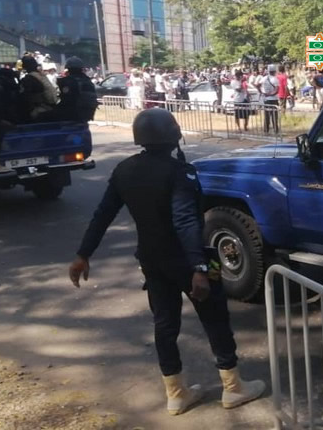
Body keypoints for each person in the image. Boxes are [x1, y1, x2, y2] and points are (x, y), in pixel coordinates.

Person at [68, 109, 265, 416]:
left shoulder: (124, 170)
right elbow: (185, 220)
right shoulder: (179, 172)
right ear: (171, 134)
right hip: (189, 259)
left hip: (151, 260)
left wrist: (83, 254)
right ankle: (233, 388)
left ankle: (176, 394)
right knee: (215, 318)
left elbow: (102, 215)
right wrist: (199, 268)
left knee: (165, 325)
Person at [56, 57, 98, 122]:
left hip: (71, 115)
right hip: (87, 114)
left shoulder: (67, 81)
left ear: (68, 69)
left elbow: (64, 99)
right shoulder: (88, 81)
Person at [19, 56, 58, 122]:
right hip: (51, 107)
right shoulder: (42, 76)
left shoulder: (28, 79)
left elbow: (25, 97)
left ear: (25, 66)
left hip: (39, 110)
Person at [260, 64, 280, 134]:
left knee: (266, 116)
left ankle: (266, 130)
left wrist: (262, 92)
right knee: (274, 116)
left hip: (266, 99)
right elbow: (277, 90)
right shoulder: (275, 79)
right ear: (274, 71)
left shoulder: (264, 78)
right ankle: (276, 130)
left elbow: (257, 84)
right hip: (273, 99)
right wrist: (271, 94)